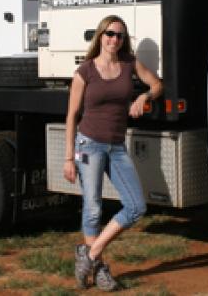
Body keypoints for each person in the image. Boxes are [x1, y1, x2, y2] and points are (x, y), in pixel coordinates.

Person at [64, 15, 163, 291]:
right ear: (100, 36)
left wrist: (144, 97)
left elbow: (157, 84)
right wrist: (68, 158)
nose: (114, 39)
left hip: (117, 147)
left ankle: (90, 255)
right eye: (109, 34)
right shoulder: (85, 71)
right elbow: (72, 115)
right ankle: (100, 271)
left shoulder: (130, 64)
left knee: (136, 206)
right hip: (89, 144)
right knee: (93, 207)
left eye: (119, 35)